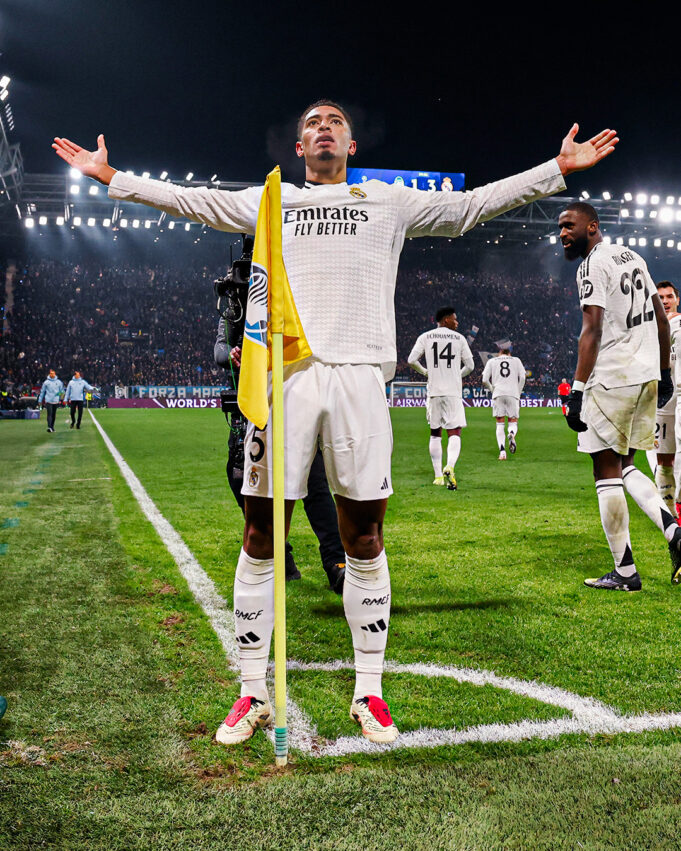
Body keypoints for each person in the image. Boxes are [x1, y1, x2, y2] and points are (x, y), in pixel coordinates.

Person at [54, 103, 617, 744]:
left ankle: (369, 694)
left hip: (360, 378)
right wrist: (113, 177)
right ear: (300, 145)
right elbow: (193, 202)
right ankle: (250, 694)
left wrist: (555, 169)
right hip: (286, 378)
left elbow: (470, 209)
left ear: (350, 143)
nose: (325, 125)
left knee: (365, 536)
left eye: (336, 120)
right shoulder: (274, 199)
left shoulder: (388, 200)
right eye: (314, 121)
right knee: (261, 532)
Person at [559, 202, 681, 591]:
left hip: (612, 376)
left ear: (592, 227)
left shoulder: (591, 265)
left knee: (604, 471)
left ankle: (625, 572)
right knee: (627, 465)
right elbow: (661, 320)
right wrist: (662, 373)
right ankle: (676, 533)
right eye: (560, 227)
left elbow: (591, 329)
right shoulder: (635, 257)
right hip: (644, 374)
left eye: (569, 226)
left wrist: (577, 392)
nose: (562, 233)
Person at [214, 318, 346, 592]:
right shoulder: (236, 308)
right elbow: (220, 349)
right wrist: (233, 353)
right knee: (242, 481)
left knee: (315, 483)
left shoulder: (290, 294)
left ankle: (336, 564)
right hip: (254, 406)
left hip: (294, 399)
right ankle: (282, 557)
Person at [407, 307, 474, 489]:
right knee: (455, 432)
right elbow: (470, 365)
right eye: (455, 319)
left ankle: (438, 476)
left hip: (434, 392)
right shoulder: (459, 338)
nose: (457, 322)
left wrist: (426, 372)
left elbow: (411, 360)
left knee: (435, 434)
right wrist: (457, 375)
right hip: (453, 392)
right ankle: (450, 466)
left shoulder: (425, 337)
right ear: (446, 320)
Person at [644, 282, 681, 516]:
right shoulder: (649, 327)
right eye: (661, 297)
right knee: (663, 457)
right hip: (660, 396)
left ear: (677, 299)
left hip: (680, 393)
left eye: (669, 296)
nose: (665, 301)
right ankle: (669, 513)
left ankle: (677, 503)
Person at [482, 348, 526, 460]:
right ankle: (511, 433)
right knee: (513, 421)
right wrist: (518, 391)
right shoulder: (516, 360)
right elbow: (523, 377)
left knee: (499, 424)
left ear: (499, 354)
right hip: (513, 393)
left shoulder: (492, 361)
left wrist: (493, 390)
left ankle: (502, 452)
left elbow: (484, 380)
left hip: (498, 393)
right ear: (509, 354)